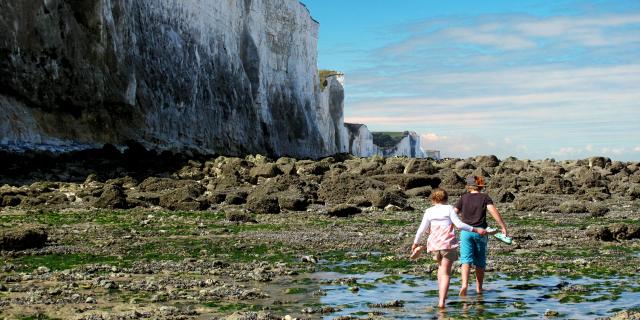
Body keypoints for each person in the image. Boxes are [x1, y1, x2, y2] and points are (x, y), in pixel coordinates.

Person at [411, 188, 487, 309]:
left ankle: (443, 295)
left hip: (434, 245)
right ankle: (442, 302)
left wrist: (415, 243)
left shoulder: (429, 211)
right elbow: (459, 225)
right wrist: (476, 229)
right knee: (446, 273)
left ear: (433, 200)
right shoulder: (449, 208)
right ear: (446, 199)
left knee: (440, 269)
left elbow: (421, 229)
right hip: (447, 245)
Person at [454, 175, 508, 296]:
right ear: (480, 186)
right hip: (481, 232)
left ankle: (464, 285)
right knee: (480, 261)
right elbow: (493, 211)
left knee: (465, 260)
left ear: (468, 186)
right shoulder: (485, 197)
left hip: (466, 232)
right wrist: (502, 226)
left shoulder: (463, 198)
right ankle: (479, 288)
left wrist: (448, 227)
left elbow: (453, 213)